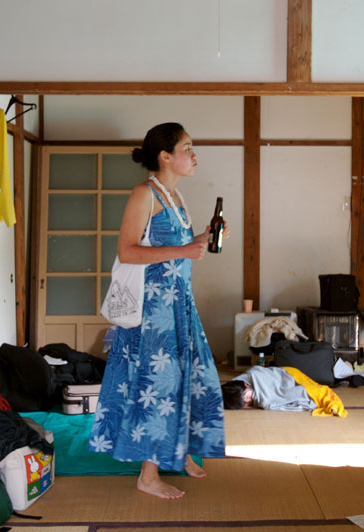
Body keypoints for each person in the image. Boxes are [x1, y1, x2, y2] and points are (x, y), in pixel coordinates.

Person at [89, 123, 228, 500]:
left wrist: (201, 240)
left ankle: (179, 452)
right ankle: (148, 475)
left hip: (179, 304)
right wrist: (184, 250)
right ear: (165, 156)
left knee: (191, 378)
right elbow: (127, 251)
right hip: (152, 312)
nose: (194, 155)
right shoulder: (144, 194)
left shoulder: (175, 196)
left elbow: (174, 248)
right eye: (188, 147)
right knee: (158, 385)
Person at [221, 365, 347, 417]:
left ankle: (331, 402)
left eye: (249, 396)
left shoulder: (251, 375)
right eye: (248, 403)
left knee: (313, 390)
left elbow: (262, 375)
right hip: (280, 384)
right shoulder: (232, 395)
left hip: (287, 375)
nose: (252, 400)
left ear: (245, 384)